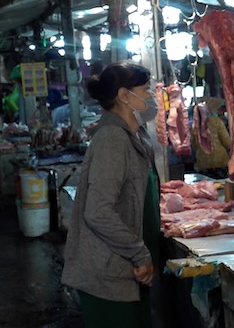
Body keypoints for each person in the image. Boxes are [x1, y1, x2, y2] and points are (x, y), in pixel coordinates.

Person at [61, 61, 161, 328]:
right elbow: (98, 211)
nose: (152, 97)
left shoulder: (134, 135)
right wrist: (140, 254)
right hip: (107, 277)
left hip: (127, 274)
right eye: (146, 89)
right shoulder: (112, 139)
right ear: (125, 96)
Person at [192, 97, 231, 178]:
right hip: (220, 161)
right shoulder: (217, 122)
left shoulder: (194, 125)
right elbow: (227, 142)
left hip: (202, 163)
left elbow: (193, 145)